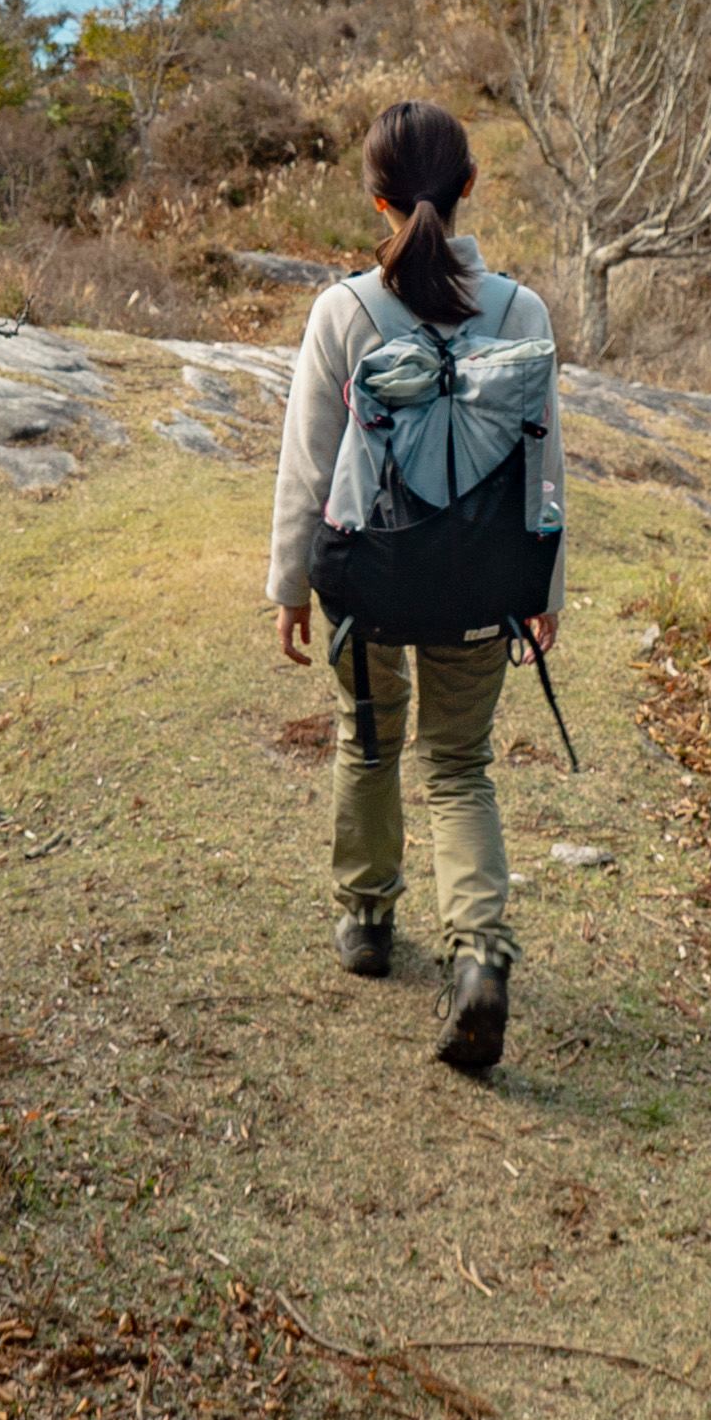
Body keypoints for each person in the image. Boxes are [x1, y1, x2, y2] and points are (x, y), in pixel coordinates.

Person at [267, 99, 566, 1074]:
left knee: (369, 739)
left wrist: (291, 586)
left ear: (376, 199)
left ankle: (364, 919)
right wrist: (544, 582)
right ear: (470, 185)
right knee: (458, 767)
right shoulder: (522, 312)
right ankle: (477, 954)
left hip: (370, 580)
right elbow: (542, 464)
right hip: (483, 581)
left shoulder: (343, 312)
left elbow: (309, 467)